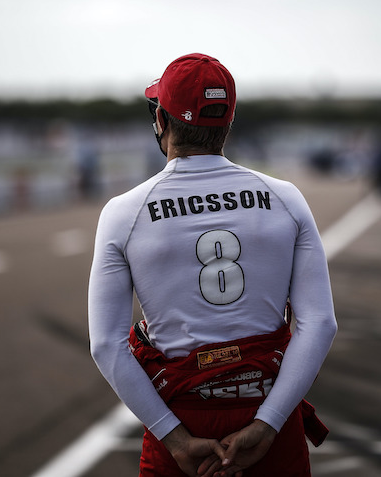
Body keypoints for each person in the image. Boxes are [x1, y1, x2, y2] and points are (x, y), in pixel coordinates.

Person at [88, 53, 338, 477]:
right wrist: (268, 424)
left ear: (161, 120)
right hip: (267, 404)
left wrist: (175, 440)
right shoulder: (285, 198)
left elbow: (106, 345)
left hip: (181, 412)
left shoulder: (123, 212)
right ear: (228, 121)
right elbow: (320, 324)